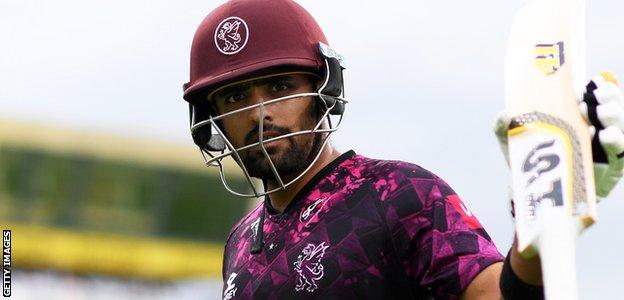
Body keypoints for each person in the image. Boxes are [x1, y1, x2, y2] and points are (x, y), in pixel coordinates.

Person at [181, 0, 624, 299]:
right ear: (213, 118)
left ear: (324, 88)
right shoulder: (238, 245)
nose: (261, 114)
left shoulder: (398, 194)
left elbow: (494, 295)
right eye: (235, 97)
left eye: (280, 86)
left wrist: (539, 228)